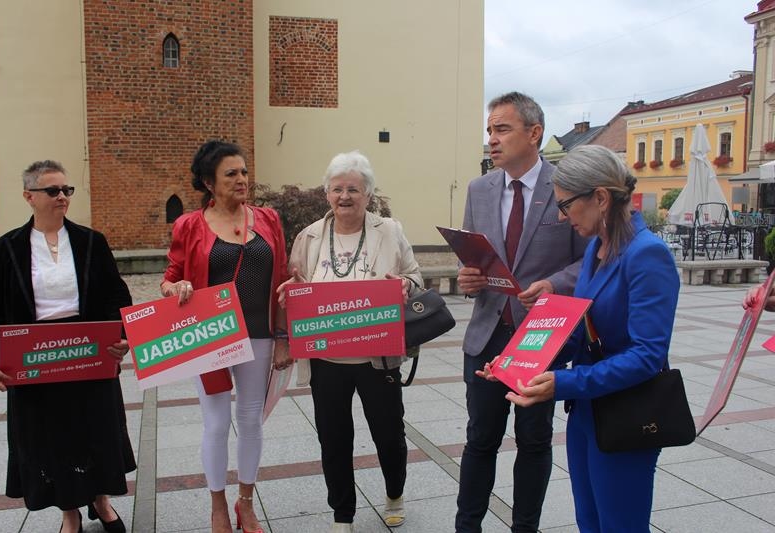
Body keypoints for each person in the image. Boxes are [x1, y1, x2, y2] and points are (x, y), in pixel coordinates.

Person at [482, 145, 680, 531]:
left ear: (600, 198)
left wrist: (563, 382)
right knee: (589, 520)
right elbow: (582, 330)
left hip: (628, 414)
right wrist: (517, 365)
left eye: (566, 204)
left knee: (620, 525)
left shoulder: (647, 255)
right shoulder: (596, 249)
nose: (561, 215)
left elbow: (647, 356)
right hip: (587, 412)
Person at [0, 160, 135, 533]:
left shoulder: (91, 241)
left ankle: (101, 500)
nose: (62, 196)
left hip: (88, 352)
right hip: (35, 356)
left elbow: (116, 295)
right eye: (52, 190)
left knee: (95, 429)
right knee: (50, 438)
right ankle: (69, 511)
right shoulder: (7, 248)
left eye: (66, 190)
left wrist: (122, 335)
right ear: (29, 196)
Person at [455, 92, 589, 533]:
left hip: (540, 337)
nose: (492, 139)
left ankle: (524, 527)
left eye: (502, 129)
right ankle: (467, 527)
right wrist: (468, 278)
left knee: (533, 441)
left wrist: (554, 284)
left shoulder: (564, 185)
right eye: (489, 130)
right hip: (488, 334)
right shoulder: (479, 189)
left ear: (534, 133)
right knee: (480, 440)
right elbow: (474, 258)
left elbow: (588, 260)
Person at [280, 150, 422, 533]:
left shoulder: (389, 230)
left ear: (368, 194)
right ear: (327, 193)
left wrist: (405, 284)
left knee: (389, 436)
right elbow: (296, 284)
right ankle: (342, 514)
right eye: (337, 189)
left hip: (378, 358)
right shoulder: (309, 236)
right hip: (327, 361)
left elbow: (415, 276)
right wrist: (292, 292)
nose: (345, 196)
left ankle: (395, 493)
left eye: (354, 190)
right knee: (334, 440)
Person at [161, 141, 291, 533]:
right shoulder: (189, 225)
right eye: (231, 174)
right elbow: (169, 279)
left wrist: (283, 336)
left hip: (259, 335)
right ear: (208, 183)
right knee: (216, 423)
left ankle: (245, 503)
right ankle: (217, 506)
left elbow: (281, 277)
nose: (241, 180)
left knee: (251, 421)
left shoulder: (268, 219)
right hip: (211, 337)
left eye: (244, 172)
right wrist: (176, 288)